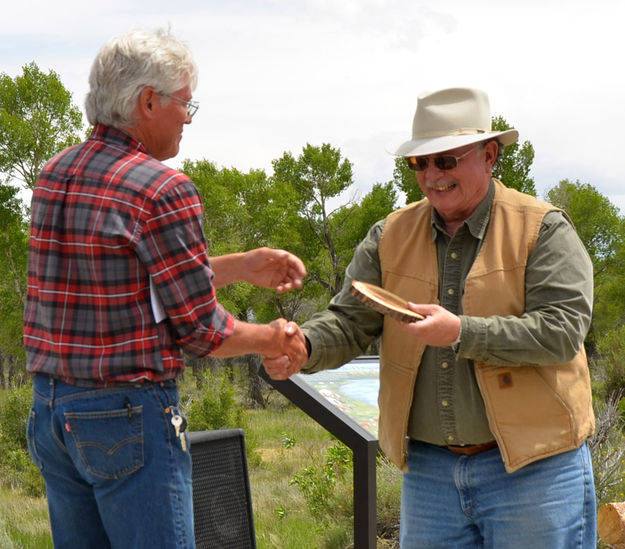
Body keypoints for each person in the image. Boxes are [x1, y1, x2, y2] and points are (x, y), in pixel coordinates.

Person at [265, 87, 596, 548]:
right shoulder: (388, 235)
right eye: (419, 163)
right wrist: (305, 346)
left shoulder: (544, 228)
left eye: (446, 160)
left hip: (535, 469)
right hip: (429, 474)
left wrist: (461, 332)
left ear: (490, 155)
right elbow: (348, 320)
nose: (432, 176)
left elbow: (561, 331)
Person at [24, 28, 306, 549]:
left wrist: (241, 265)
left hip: (51, 414)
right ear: (148, 101)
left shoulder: (53, 174)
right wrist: (276, 337)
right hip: (128, 419)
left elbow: (123, 282)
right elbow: (204, 332)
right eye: (185, 101)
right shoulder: (161, 188)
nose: (189, 116)